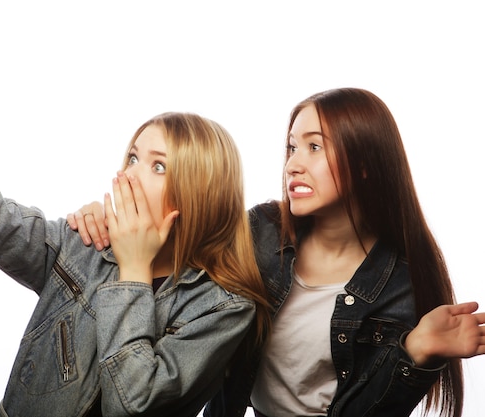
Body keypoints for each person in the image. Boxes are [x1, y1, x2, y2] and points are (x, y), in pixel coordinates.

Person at [0, 50, 271, 417]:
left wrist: (132, 271)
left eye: (158, 166)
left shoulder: (223, 308)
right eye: (132, 156)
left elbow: (134, 403)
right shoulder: (85, 244)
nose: (128, 173)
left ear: (201, 191)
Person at [66, 88, 485, 417]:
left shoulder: (399, 285)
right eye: (291, 148)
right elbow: (179, 249)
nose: (292, 165)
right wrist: (105, 221)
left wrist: (415, 354)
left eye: (314, 147)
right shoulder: (260, 231)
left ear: (365, 162)